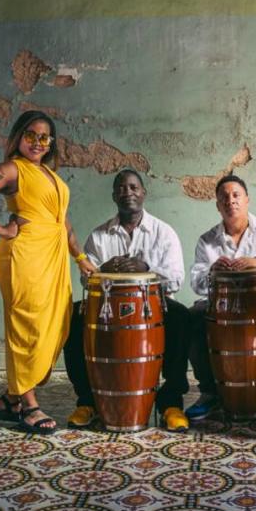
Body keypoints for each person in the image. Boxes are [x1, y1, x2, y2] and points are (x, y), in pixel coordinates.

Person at [0, 110, 95, 434]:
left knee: (56, 323)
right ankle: (28, 405)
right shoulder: (12, 169)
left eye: (43, 137)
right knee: (27, 327)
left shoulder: (50, 175)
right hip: (24, 256)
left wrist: (80, 257)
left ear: (51, 143)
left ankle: (9, 400)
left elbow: (63, 221)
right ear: (19, 137)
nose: (36, 142)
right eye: (30, 135)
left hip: (53, 257)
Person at [64, 169, 192, 432]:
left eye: (134, 187)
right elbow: (86, 281)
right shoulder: (99, 236)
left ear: (143, 193)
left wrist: (145, 267)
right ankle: (87, 401)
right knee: (72, 317)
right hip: (107, 310)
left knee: (180, 317)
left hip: (154, 307)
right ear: (114, 196)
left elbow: (177, 279)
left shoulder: (163, 232)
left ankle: (171, 403)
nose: (128, 193)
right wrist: (103, 271)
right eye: (122, 188)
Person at [186, 174, 256, 421]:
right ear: (218, 205)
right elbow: (196, 282)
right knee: (193, 316)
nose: (231, 201)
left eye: (236, 195)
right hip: (222, 303)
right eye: (224, 198)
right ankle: (210, 393)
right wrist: (212, 271)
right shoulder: (207, 240)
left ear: (247, 200)